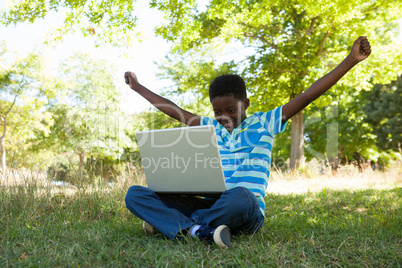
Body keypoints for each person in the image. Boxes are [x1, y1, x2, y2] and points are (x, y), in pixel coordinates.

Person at [124, 36, 371, 248]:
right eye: (218, 112)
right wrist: (138, 87)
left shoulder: (266, 122)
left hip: (244, 209)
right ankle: (198, 231)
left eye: (231, 110)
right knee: (135, 195)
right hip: (214, 203)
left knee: (240, 196)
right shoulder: (210, 128)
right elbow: (175, 110)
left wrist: (350, 60)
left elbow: (308, 95)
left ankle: (176, 223)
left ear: (247, 104)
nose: (224, 118)